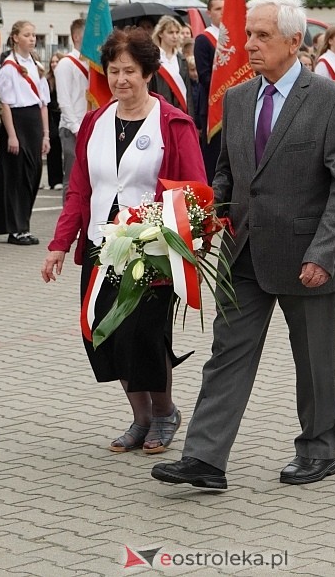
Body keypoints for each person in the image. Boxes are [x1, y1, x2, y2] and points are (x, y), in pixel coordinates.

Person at [152, 0, 335, 490]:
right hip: (243, 251)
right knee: (227, 353)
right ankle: (204, 459)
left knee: (313, 362)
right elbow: (228, 176)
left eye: (262, 36)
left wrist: (322, 252)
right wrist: (197, 219)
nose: (249, 45)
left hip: (307, 256)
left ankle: (317, 450)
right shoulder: (240, 98)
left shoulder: (333, 101)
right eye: (248, 34)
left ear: (294, 42)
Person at [41, 28, 206, 455]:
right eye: (113, 71)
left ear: (149, 72)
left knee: (144, 336)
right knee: (104, 333)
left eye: (129, 71)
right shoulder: (96, 122)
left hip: (150, 249)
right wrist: (60, 243)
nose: (120, 80)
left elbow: (193, 190)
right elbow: (79, 188)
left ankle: (165, 411)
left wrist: (185, 238)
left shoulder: (172, 122)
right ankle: (141, 417)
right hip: (101, 245)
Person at [0, 20, 50, 245]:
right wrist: (12, 135)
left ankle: (24, 224)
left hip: (34, 121)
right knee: (16, 176)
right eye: (27, 35)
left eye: (34, 35)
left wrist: (46, 134)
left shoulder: (36, 65)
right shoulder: (8, 67)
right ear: (15, 37)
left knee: (32, 175)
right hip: (17, 121)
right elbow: (4, 103)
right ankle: (15, 228)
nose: (32, 39)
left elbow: (43, 103)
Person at [53, 19, 88, 192]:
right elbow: (64, 101)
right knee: (72, 179)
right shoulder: (66, 64)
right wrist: (76, 127)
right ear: (76, 36)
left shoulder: (93, 64)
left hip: (90, 127)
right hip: (73, 129)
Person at [194, 0, 224, 179]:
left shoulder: (237, 38)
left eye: (225, 8)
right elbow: (204, 75)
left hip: (234, 106)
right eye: (218, 9)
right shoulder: (203, 40)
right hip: (213, 106)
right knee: (213, 157)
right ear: (209, 13)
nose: (223, 13)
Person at [149, 16, 192, 116]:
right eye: (170, 32)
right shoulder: (154, 58)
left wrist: (190, 116)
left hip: (181, 111)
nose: (175, 36)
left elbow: (188, 92)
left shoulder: (182, 59)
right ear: (160, 33)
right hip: (160, 111)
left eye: (177, 32)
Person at [45, 52, 63, 190]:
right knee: (54, 147)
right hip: (52, 117)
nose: (54, 64)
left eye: (57, 61)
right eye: (52, 62)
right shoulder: (48, 80)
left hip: (64, 116)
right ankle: (54, 179)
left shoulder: (64, 78)